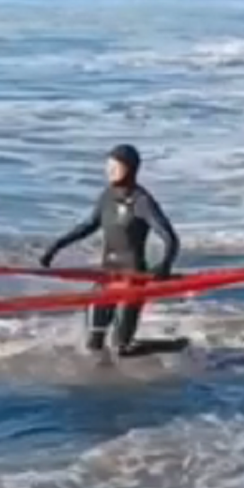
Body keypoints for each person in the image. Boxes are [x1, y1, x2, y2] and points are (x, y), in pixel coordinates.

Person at [39, 144, 180, 356]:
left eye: (116, 166)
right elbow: (88, 225)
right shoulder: (107, 195)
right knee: (93, 344)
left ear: (131, 168)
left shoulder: (142, 201)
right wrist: (56, 246)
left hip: (132, 279)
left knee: (121, 348)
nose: (110, 170)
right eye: (108, 166)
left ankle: (174, 346)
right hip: (107, 277)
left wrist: (165, 265)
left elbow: (170, 238)